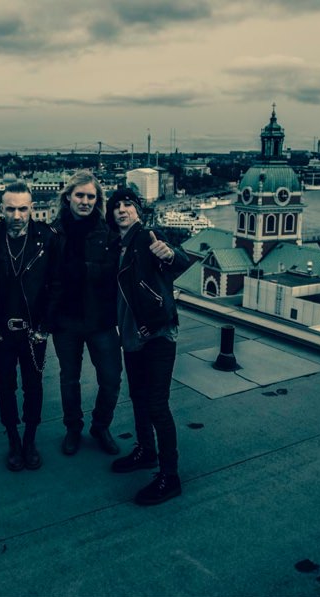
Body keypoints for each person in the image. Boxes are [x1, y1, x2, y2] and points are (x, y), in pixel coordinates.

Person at [105, 188, 190, 505]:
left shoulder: (146, 237)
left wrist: (169, 254)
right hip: (133, 336)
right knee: (138, 398)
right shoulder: (119, 246)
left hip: (157, 334)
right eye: (116, 205)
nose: (122, 209)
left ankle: (170, 477)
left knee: (157, 404)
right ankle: (146, 450)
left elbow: (179, 260)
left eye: (128, 204)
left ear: (138, 211)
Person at [0, 181, 61, 472]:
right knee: (5, 388)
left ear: (32, 209)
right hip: (0, 333)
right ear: (2, 209)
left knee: (33, 388)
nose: (17, 215)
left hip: (34, 332)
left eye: (23, 208)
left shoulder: (47, 239)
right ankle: (13, 440)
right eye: (11, 209)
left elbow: (57, 285)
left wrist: (45, 327)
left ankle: (30, 440)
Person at [49, 171, 122, 457]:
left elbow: (115, 271)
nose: (85, 201)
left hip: (101, 320)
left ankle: (101, 425)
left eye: (91, 196)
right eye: (80, 195)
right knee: (69, 379)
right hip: (65, 321)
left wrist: (83, 270)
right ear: (68, 197)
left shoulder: (108, 233)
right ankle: (73, 428)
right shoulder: (53, 232)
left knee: (112, 378)